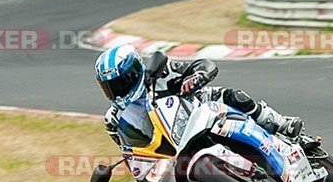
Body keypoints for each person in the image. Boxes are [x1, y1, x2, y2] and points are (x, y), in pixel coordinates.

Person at [95, 44, 303, 149]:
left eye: (121, 82)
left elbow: (205, 65)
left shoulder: (161, 71)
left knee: (233, 96)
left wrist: (196, 78)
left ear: (136, 70)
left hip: (198, 108)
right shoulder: (113, 119)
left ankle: (281, 124)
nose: (118, 91)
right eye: (111, 87)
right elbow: (130, 150)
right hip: (172, 144)